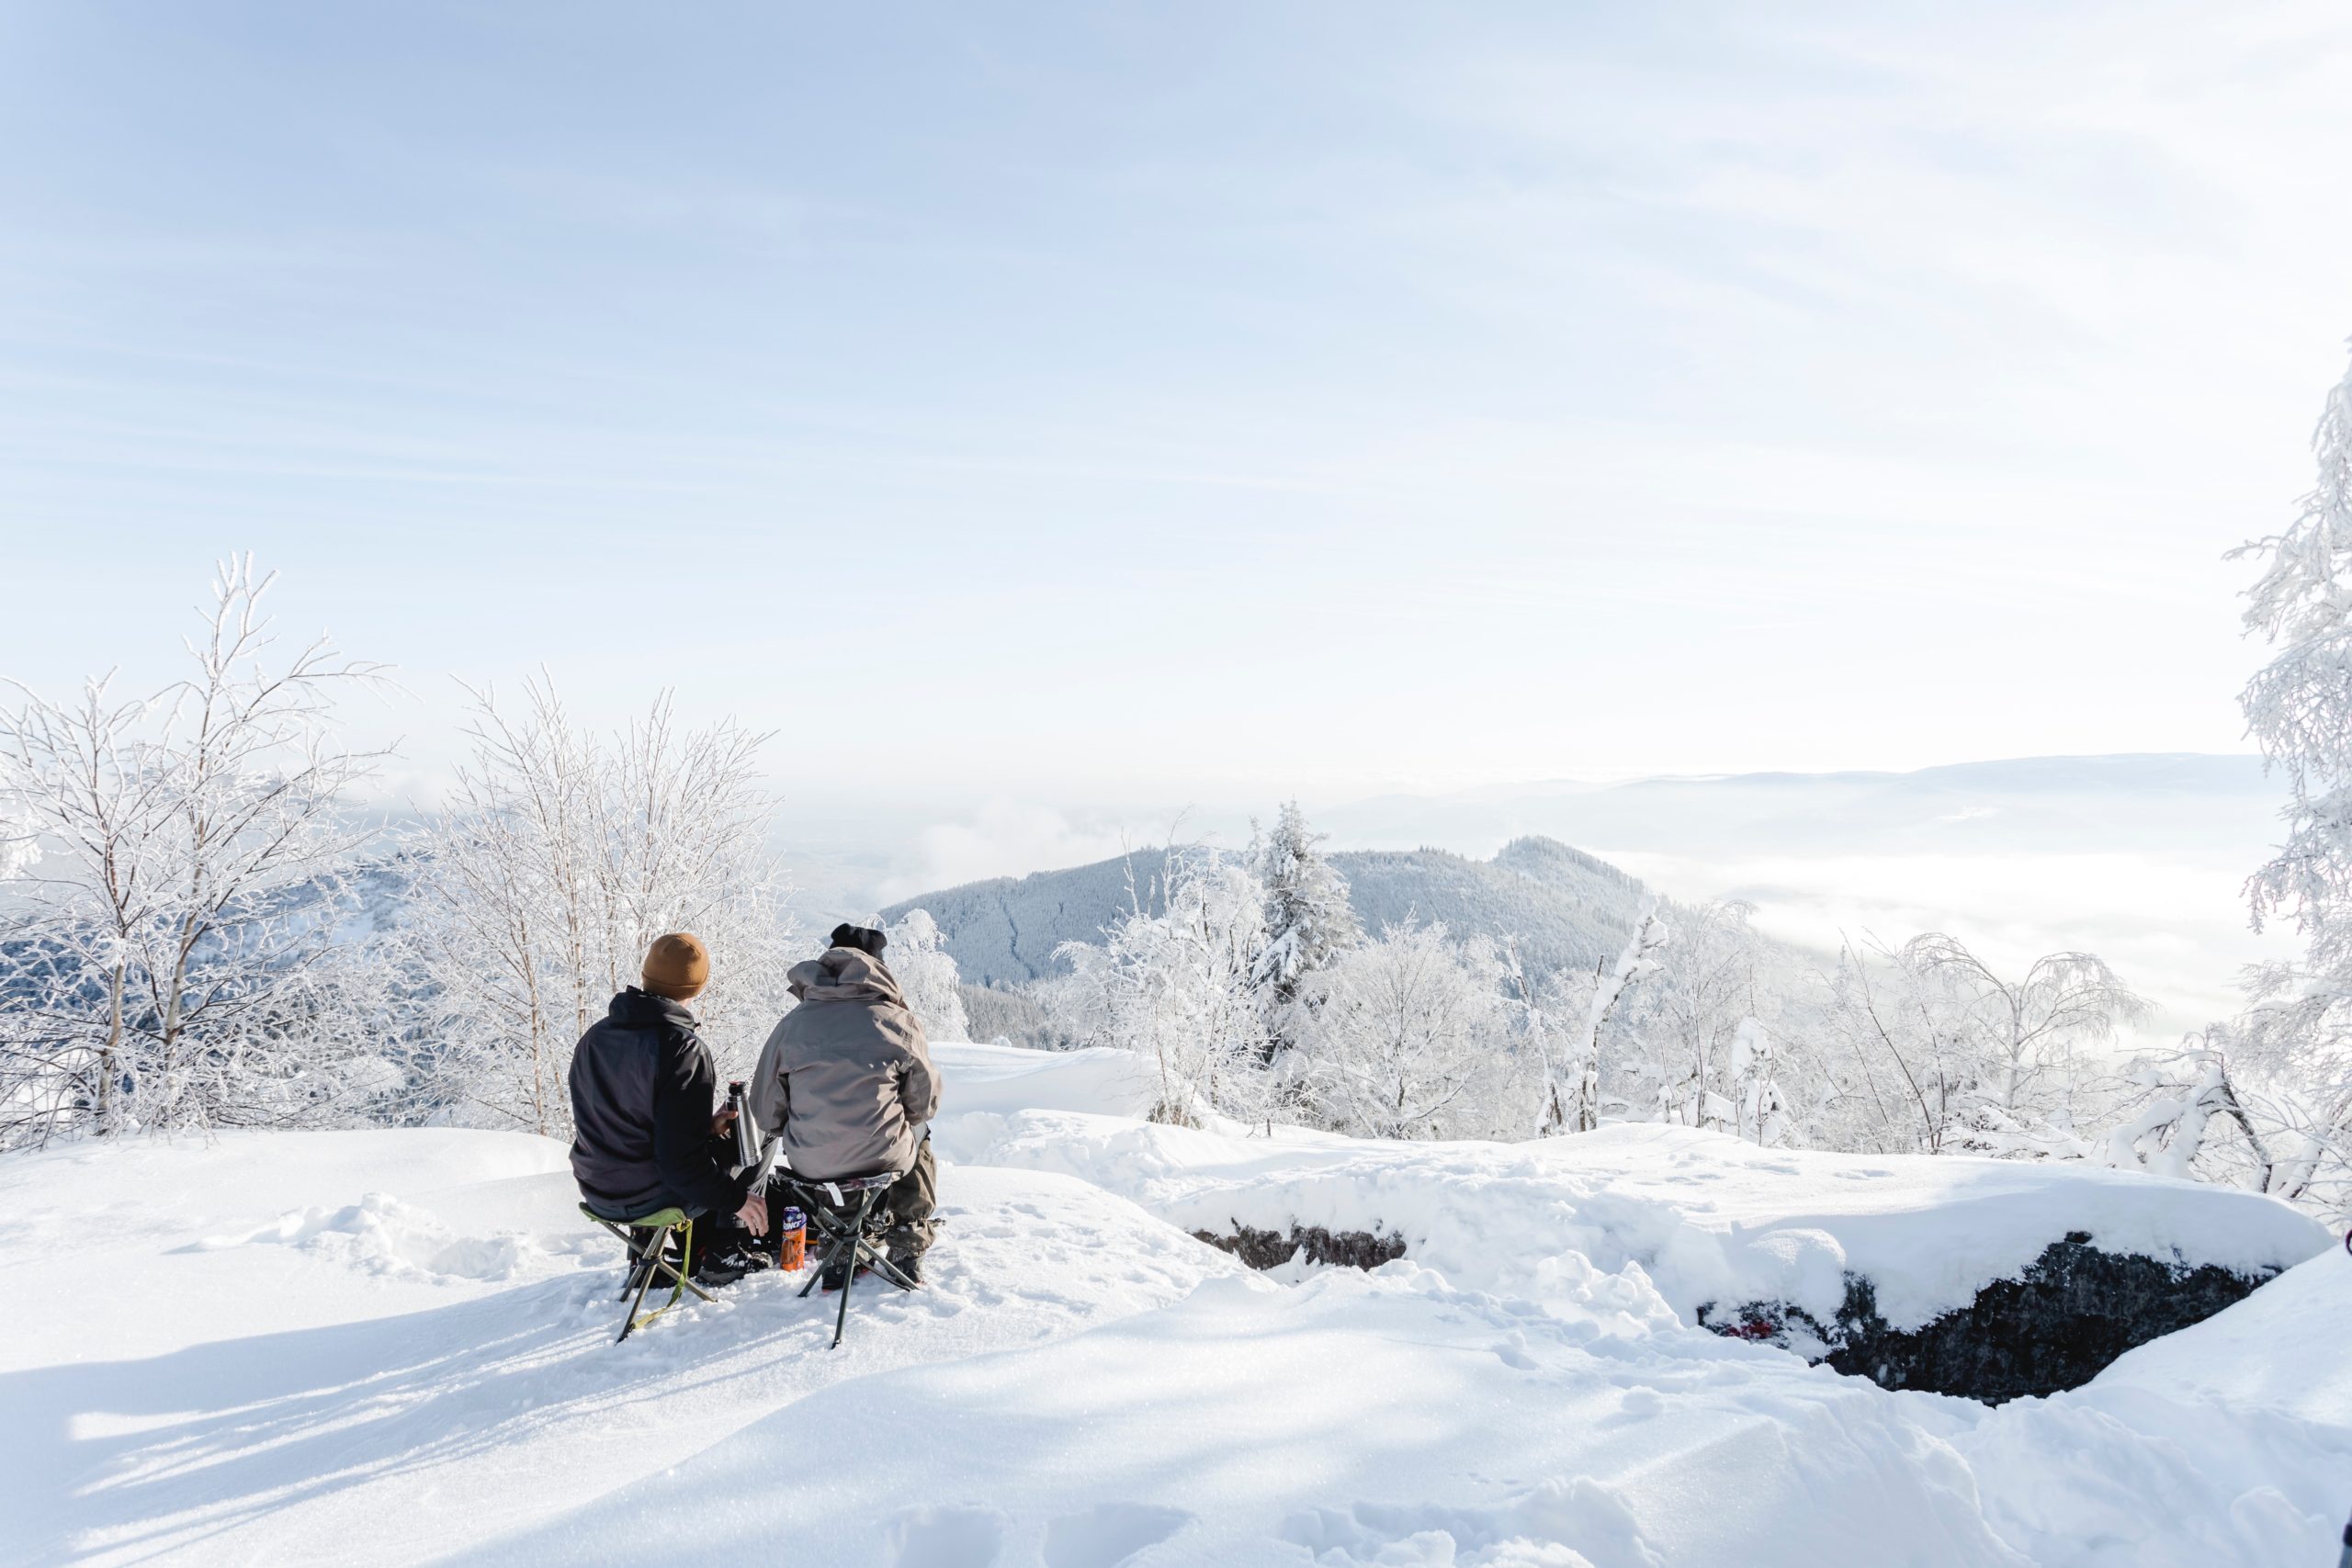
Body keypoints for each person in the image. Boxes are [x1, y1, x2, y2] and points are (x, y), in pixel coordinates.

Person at [569, 932, 770, 1286]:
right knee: (759, 1136)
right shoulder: (682, 1049)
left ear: (645, 976)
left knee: (701, 1150)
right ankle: (726, 1252)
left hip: (597, 1187)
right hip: (652, 1195)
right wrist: (739, 1200)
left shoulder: (594, 1038)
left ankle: (649, 1253)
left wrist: (706, 1128)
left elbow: (623, 1123)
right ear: (699, 984)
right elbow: (681, 1165)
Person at [748, 922, 943, 1286]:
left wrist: (802, 1126)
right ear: (878, 968)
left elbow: (764, 1111)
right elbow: (925, 1103)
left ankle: (840, 1247)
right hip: (883, 1156)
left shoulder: (792, 1025)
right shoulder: (898, 1022)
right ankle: (908, 1245)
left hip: (811, 1163)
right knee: (920, 1134)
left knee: (837, 1147)